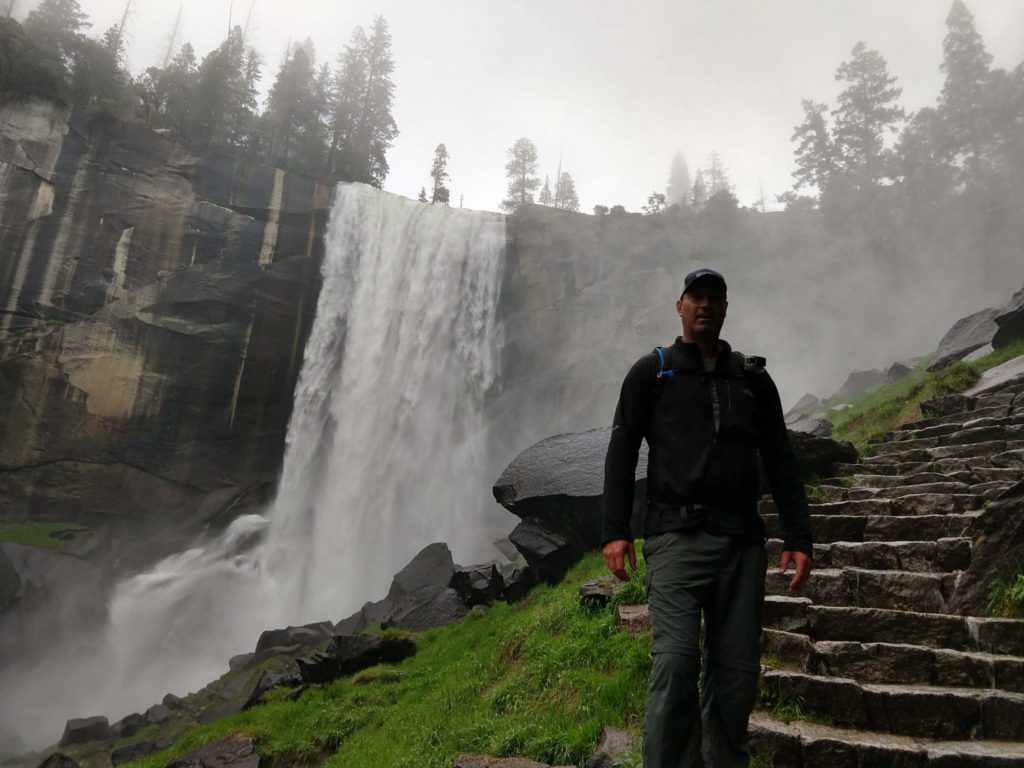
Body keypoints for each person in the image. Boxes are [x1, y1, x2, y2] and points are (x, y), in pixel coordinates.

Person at [601, 268, 813, 768]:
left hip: (741, 545)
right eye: (696, 296)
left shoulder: (753, 379)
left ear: (725, 308)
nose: (705, 305)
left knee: (736, 675)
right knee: (675, 664)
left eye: (715, 297)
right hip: (675, 539)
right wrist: (615, 531)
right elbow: (621, 449)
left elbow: (781, 457)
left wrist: (798, 536)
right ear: (679, 306)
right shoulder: (651, 373)